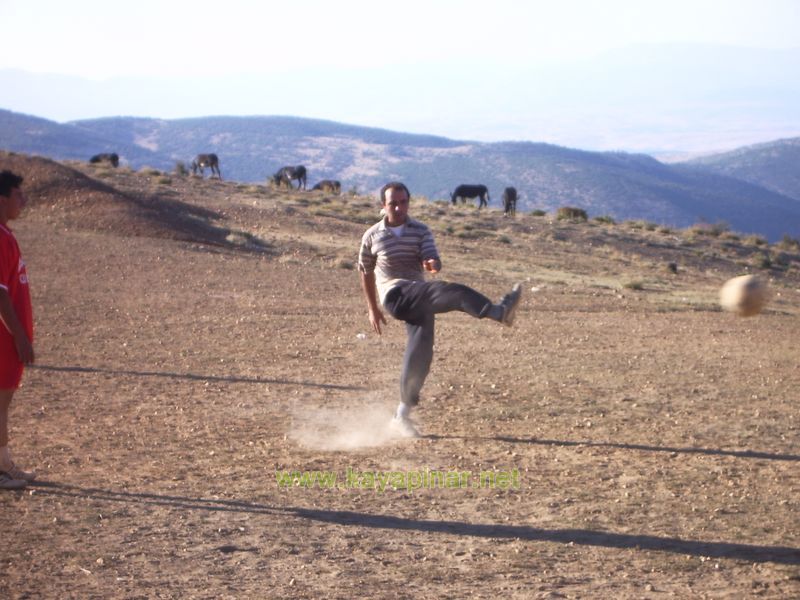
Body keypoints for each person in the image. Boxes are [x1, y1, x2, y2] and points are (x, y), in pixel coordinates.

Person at [358, 182, 522, 438]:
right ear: (383, 205)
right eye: (393, 203)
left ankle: (400, 416)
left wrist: (432, 264)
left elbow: (431, 258)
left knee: (420, 355)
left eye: (403, 202)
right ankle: (498, 312)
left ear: (409, 202)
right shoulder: (372, 235)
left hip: (419, 297)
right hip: (396, 295)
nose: (399, 207)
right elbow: (366, 272)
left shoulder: (421, 230)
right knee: (451, 291)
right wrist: (372, 308)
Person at [0, 171, 36, 490]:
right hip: (5, 337)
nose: (23, 201)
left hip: (10, 337)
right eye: (18, 195)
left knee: (4, 402)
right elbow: (0, 294)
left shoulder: (6, 235)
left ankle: (4, 462)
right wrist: (20, 337)